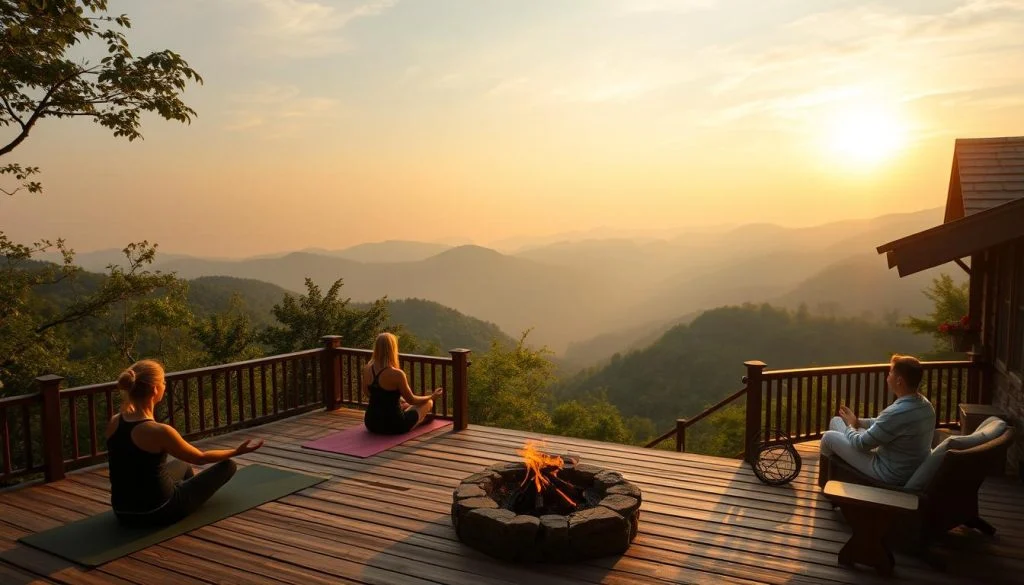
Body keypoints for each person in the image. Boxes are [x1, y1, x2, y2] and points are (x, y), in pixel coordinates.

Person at [105, 360, 264, 527]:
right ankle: (183, 503)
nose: (165, 385)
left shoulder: (115, 421)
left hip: (122, 512)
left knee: (183, 465)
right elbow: (200, 458)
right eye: (163, 382)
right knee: (228, 466)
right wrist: (236, 451)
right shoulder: (159, 431)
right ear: (155, 389)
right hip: (157, 511)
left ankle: (183, 495)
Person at [820, 354, 935, 486]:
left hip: (888, 471)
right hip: (906, 466)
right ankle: (835, 468)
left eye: (890, 373)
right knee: (836, 421)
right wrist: (858, 422)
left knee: (828, 437)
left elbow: (861, 444)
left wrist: (851, 426)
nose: (888, 376)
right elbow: (882, 423)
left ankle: (825, 482)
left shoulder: (897, 412)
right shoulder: (925, 406)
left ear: (899, 381)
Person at [363, 333, 444, 435]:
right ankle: (420, 420)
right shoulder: (397, 374)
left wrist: (398, 401)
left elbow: (368, 393)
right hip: (395, 425)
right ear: (393, 349)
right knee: (428, 403)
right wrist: (432, 396)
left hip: (371, 423)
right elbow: (412, 399)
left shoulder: (367, 368)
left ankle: (419, 418)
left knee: (405, 404)